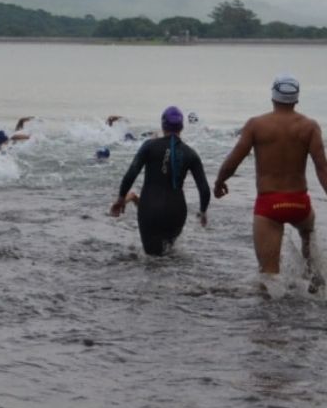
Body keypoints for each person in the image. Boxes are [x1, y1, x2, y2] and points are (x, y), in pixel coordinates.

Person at [214, 75, 327, 280]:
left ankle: (273, 300)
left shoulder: (256, 125)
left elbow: (234, 160)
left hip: (269, 204)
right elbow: (322, 168)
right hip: (300, 203)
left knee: (269, 276)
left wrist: (219, 181)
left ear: (273, 97)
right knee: (308, 234)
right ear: (296, 99)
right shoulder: (310, 126)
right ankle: (313, 278)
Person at [110, 106, 210, 256]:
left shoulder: (149, 146)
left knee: (151, 258)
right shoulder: (191, 153)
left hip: (150, 209)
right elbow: (204, 190)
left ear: (163, 126)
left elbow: (131, 174)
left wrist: (120, 199)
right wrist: (202, 212)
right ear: (182, 127)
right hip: (176, 211)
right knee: (169, 254)